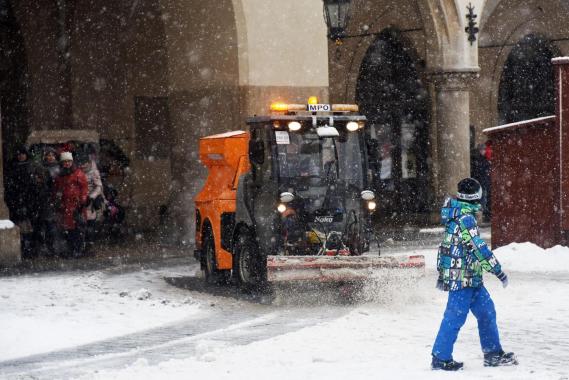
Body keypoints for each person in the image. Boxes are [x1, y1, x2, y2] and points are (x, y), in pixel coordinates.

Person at [431, 178, 518, 371]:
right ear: (477, 197)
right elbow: (478, 249)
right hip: (462, 278)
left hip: (472, 277)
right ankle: (440, 358)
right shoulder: (465, 218)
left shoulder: (459, 214)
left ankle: (493, 354)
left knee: (487, 312)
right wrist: (498, 271)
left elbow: (453, 246)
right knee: (455, 317)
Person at [54, 151, 89, 258]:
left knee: (78, 229)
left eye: (69, 161)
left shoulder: (79, 173)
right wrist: (57, 201)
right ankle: (71, 249)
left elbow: (84, 188)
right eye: (65, 161)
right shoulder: (60, 175)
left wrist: (82, 202)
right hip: (65, 206)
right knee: (68, 230)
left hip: (76, 206)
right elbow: (57, 189)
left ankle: (78, 250)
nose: (67, 163)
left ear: (72, 162)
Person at [5, 145, 37, 257]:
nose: (21, 156)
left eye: (22, 154)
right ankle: (24, 248)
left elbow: (34, 185)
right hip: (17, 200)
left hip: (28, 200)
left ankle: (29, 249)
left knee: (28, 227)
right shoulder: (12, 167)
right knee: (20, 225)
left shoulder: (31, 167)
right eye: (19, 154)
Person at [77, 153, 104, 251]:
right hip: (80, 201)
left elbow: (98, 187)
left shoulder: (94, 172)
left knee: (90, 224)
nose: (83, 165)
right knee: (80, 224)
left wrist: (91, 197)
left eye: (85, 163)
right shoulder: (77, 172)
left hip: (90, 202)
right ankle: (81, 245)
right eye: (81, 163)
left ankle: (89, 245)